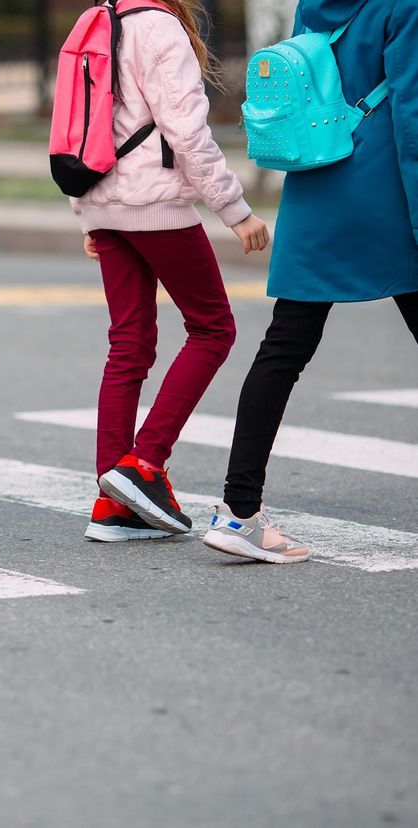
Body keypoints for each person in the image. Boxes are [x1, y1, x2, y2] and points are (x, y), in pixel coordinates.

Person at [204, 0, 418, 564]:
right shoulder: (403, 6)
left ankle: (238, 510)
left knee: (283, 348)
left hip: (316, 181)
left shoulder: (313, 3)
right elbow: (410, 117)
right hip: (382, 192)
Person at [74, 0, 271, 543]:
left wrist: (88, 212)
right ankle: (144, 464)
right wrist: (236, 210)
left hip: (102, 199)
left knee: (128, 344)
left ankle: (114, 505)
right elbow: (187, 132)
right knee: (213, 328)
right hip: (155, 204)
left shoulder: (97, 20)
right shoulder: (159, 27)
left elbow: (75, 125)